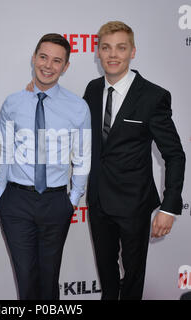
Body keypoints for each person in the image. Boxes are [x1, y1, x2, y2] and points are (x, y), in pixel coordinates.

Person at [83, 21, 185, 300]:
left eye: (120, 48)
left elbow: (174, 154)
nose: (112, 55)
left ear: (133, 52)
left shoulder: (153, 96)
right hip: (99, 202)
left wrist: (170, 206)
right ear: (98, 52)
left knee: (133, 278)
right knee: (106, 274)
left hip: (134, 204)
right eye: (106, 48)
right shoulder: (92, 90)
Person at [0, 33, 91, 300]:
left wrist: (72, 199)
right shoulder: (13, 102)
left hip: (56, 201)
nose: (48, 66)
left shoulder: (78, 107)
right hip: (16, 200)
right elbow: (2, 151)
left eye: (57, 60)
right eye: (43, 57)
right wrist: (1, 195)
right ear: (34, 58)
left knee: (50, 279)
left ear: (66, 66)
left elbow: (83, 157)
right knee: (25, 277)